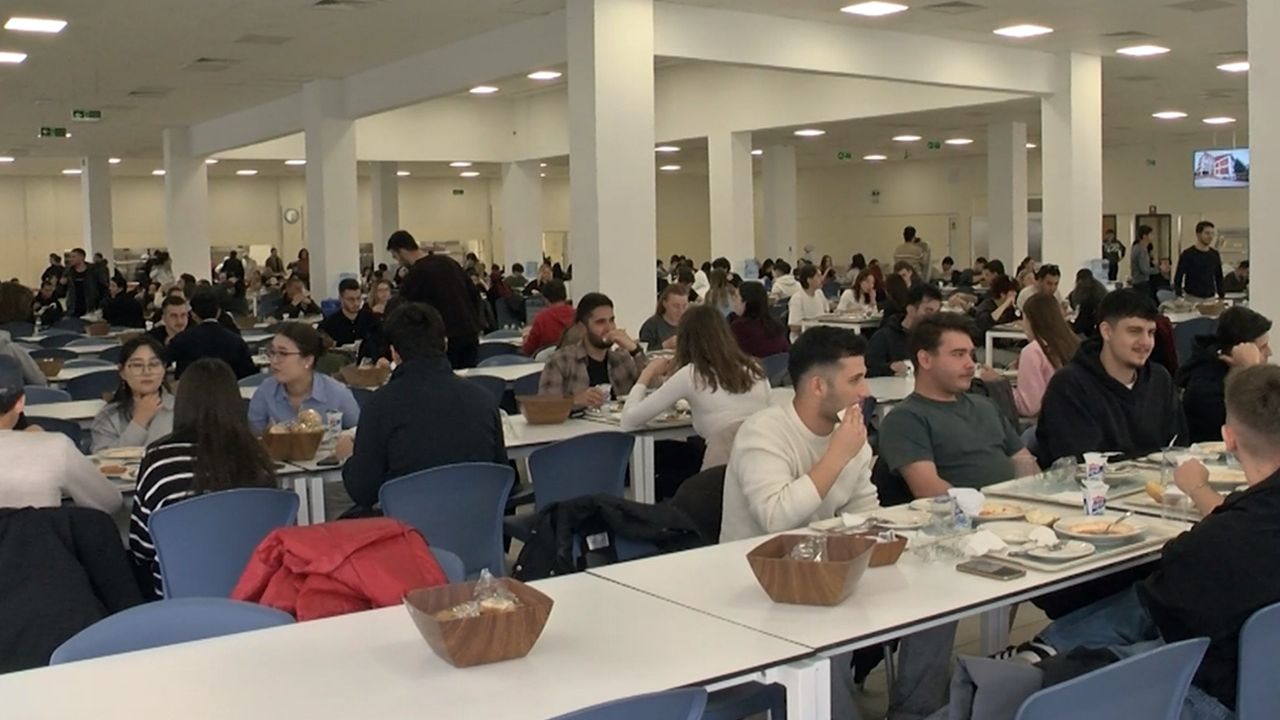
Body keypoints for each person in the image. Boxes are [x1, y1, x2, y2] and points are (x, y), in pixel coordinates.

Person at [1011, 364, 1280, 718]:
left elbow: (1171, 595)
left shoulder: (1222, 540)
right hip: (1260, 685)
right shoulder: (1242, 526)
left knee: (1052, 681)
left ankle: (1034, 659)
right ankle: (1039, 655)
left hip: (1216, 696)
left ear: (1228, 438)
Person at [720, 327, 882, 720]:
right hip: (755, 582)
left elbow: (865, 511)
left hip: (821, 570)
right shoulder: (765, 432)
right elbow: (776, 518)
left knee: (925, 609)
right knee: (829, 637)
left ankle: (919, 708)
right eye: (855, 380)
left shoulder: (850, 435)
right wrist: (837, 456)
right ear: (817, 386)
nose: (865, 391)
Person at [128, 358, 278, 597]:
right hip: (256, 590)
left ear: (183, 403)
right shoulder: (257, 459)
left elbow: (141, 548)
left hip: (179, 596)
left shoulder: (160, 460)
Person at [338, 303, 506, 513]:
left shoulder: (379, 406)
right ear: (445, 344)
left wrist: (347, 458)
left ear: (394, 353)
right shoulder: (484, 400)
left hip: (406, 526)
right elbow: (501, 473)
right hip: (477, 524)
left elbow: (363, 491)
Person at [881, 313, 1038, 495]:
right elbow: (929, 490)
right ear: (925, 360)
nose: (970, 364)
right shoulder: (905, 419)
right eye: (958, 355)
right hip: (963, 511)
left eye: (971, 355)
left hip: (1018, 506)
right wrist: (987, 507)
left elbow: (1026, 465)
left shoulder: (986, 406)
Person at [1036, 289, 1187, 464]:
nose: (1146, 342)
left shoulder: (1160, 380)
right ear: (1106, 331)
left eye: (1151, 332)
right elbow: (1080, 462)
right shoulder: (1069, 386)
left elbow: (1178, 447)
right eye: (1134, 331)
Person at [622, 305, 770, 468]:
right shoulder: (755, 369)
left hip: (721, 465)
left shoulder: (692, 374)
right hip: (763, 459)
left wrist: (647, 373)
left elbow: (629, 420)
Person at [0, 355, 120, 513]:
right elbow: (110, 502)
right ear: (20, 403)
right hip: (40, 529)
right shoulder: (55, 448)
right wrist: (39, 442)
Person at [389, 233, 483, 369]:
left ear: (402, 251)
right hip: (469, 332)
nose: (398, 262)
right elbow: (474, 294)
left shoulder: (415, 275)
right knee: (469, 376)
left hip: (443, 339)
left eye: (395, 256)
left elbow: (406, 312)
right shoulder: (449, 263)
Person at [1178, 305, 1271, 443]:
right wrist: (1249, 371)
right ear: (1237, 351)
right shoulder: (1206, 387)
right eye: (1262, 347)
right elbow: (1258, 428)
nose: (1269, 352)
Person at [247, 322, 360, 435]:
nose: (274, 360)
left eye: (283, 353)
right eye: (272, 352)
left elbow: (359, 434)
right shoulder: (265, 391)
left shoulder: (337, 394)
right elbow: (252, 438)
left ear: (308, 360)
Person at [538, 292, 646, 408]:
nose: (609, 328)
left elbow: (654, 391)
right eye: (600, 322)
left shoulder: (622, 359)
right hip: (577, 420)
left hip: (618, 420)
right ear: (582, 328)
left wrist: (635, 350)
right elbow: (544, 407)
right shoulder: (560, 361)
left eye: (611, 320)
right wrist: (574, 401)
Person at [987, 292, 1080, 418]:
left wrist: (998, 383)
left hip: (1048, 422)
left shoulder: (1033, 351)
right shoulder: (1073, 343)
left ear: (1030, 320)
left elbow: (1029, 407)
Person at [90, 336, 174, 453]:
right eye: (137, 365)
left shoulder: (182, 409)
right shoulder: (108, 416)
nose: (146, 372)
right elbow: (101, 458)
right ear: (122, 372)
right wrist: (139, 422)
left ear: (164, 369)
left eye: (154, 364)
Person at [167, 291, 257, 380]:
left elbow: (164, 361)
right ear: (218, 312)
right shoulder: (236, 341)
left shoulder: (181, 339)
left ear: (193, 314)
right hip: (227, 387)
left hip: (191, 387)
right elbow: (250, 375)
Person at [867, 284, 943, 378]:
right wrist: (889, 368)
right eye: (928, 311)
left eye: (936, 312)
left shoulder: (936, 338)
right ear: (910, 309)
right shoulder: (884, 337)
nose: (933, 317)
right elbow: (867, 369)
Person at [730, 281, 790, 359]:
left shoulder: (738, 328)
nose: (733, 301)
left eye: (736, 297)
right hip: (779, 366)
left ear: (745, 302)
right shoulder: (776, 326)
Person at [317, 278, 377, 347]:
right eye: (350, 299)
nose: (356, 303)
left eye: (358, 298)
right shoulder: (330, 324)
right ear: (341, 299)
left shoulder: (370, 319)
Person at [1175, 220, 1225, 299]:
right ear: (1198, 234)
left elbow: (1219, 276)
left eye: (1212, 233)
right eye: (1207, 233)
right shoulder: (1188, 254)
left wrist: (1221, 296)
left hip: (1210, 297)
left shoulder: (1214, 255)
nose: (1210, 236)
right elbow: (1179, 276)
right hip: (1192, 297)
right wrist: (1178, 295)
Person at [522, 279, 573, 356]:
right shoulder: (578, 315)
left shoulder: (541, 319)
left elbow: (528, 350)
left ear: (545, 299)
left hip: (546, 361)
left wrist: (526, 338)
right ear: (565, 296)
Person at [639, 284, 690, 351]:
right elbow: (643, 353)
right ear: (664, 304)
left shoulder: (692, 324)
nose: (681, 311)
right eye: (676, 306)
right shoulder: (651, 326)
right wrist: (664, 345)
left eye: (684, 306)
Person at [60, 248, 107, 317]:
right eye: (70, 257)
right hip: (74, 307)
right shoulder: (68, 271)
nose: (71, 259)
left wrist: (100, 304)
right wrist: (62, 284)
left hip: (91, 306)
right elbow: (62, 290)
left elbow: (102, 287)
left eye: (74, 257)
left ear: (82, 257)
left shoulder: (93, 270)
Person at [787, 265, 828, 340]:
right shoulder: (797, 298)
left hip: (820, 335)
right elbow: (793, 326)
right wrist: (813, 325)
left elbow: (826, 314)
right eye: (818, 276)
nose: (822, 279)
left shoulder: (819, 293)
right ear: (809, 280)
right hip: (803, 339)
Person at [1069, 268, 1108, 337]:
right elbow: (1074, 300)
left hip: (1098, 314)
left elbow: (1102, 305)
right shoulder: (1080, 288)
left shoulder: (1097, 289)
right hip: (1087, 313)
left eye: (1083, 279)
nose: (1081, 282)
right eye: (1079, 279)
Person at [1130, 224, 1157, 298]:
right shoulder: (1142, 249)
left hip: (1136, 281)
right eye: (1151, 234)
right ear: (1145, 236)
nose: (1153, 236)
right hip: (1142, 282)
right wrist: (1158, 269)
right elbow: (1145, 269)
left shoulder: (1135, 247)